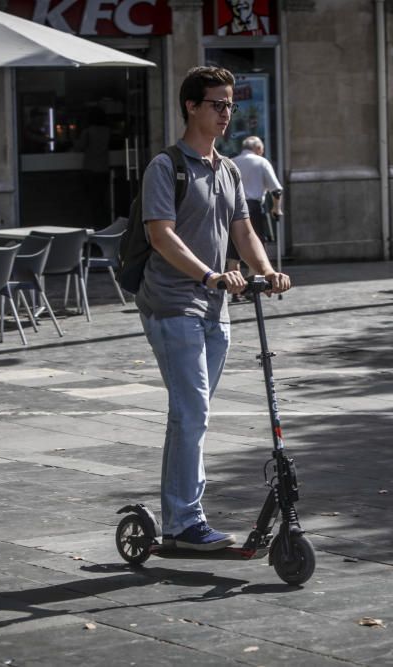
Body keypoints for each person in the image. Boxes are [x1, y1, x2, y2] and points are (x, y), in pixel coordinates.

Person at [135, 66, 291, 551]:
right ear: (191, 106)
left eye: (230, 105)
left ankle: (180, 518)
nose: (226, 113)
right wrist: (207, 274)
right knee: (193, 412)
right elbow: (161, 235)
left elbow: (244, 232)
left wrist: (266, 270)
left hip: (215, 305)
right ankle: (184, 523)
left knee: (191, 413)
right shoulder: (166, 167)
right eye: (217, 104)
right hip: (173, 302)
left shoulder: (226, 169)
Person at [225, 136, 282, 289]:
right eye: (261, 149)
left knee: (233, 252)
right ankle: (252, 287)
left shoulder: (231, 162)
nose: (262, 152)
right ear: (257, 148)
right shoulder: (261, 162)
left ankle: (234, 288)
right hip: (254, 208)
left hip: (233, 208)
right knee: (254, 246)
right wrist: (276, 208)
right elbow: (276, 190)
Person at [75, 107, 112, 228]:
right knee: (103, 200)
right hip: (104, 169)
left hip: (90, 169)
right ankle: (105, 224)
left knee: (92, 201)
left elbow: (79, 147)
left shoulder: (88, 131)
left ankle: (94, 225)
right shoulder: (107, 131)